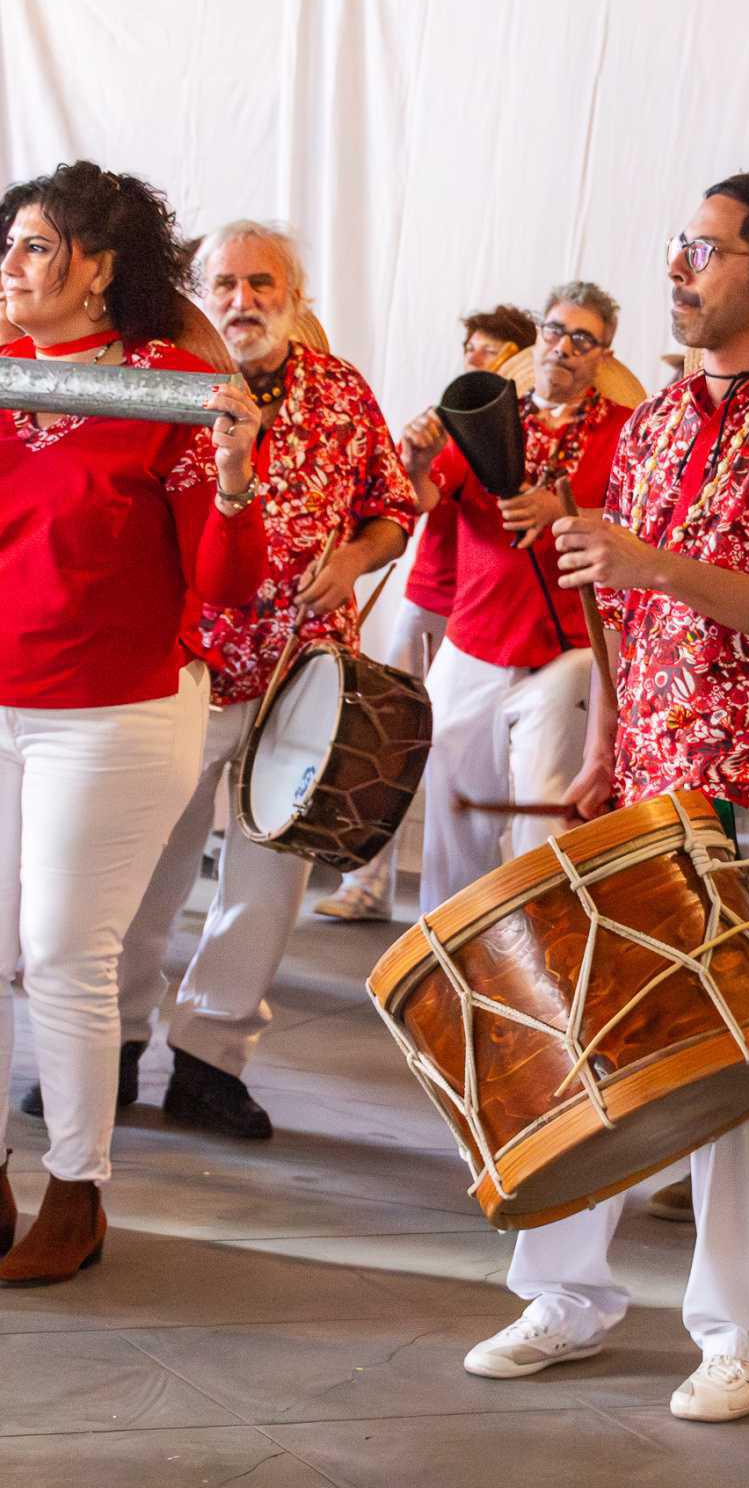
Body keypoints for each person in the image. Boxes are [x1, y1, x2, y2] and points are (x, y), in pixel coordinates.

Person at [460, 175, 749, 1422]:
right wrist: (607, 737)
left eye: (703, 251)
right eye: (676, 246)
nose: (676, 268)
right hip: (651, 778)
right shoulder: (654, 422)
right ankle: (567, 1296)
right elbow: (622, 606)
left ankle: (742, 1336)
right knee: (602, 1037)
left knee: (746, 1069)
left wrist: (656, 563)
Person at [73, 220, 415, 1142]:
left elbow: (392, 508)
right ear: (201, 294)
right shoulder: (169, 383)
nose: (242, 300)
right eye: (224, 283)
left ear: (294, 295)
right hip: (187, 659)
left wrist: (354, 558)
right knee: (150, 863)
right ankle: (110, 1049)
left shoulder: (343, 392)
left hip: (306, 670)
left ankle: (210, 1061)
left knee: (269, 881)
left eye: (262, 283)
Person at [0, 162, 265, 1284]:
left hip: (113, 713)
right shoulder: (3, 371)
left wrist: (239, 473)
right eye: (10, 244)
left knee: (64, 951)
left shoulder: (173, 389)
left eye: (37, 246)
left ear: (101, 269)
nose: (12, 265)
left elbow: (228, 584)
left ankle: (77, 1192)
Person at [402, 283, 631, 914]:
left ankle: (543, 956)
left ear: (604, 355)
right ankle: (444, 959)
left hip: (569, 654)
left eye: (582, 338)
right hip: (473, 645)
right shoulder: (487, 412)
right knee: (454, 820)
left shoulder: (628, 432)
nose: (563, 347)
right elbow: (424, 499)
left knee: (544, 822)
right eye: (554, 331)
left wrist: (564, 510)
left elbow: (646, 524)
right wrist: (416, 463)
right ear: (538, 341)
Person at [314, 302, 537, 921]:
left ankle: (467, 900)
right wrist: (413, 461)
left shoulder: (527, 428)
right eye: (471, 347)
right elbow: (411, 498)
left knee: (457, 753)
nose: (473, 357)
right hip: (431, 601)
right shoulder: (446, 423)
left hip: (482, 619)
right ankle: (367, 880)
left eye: (489, 350)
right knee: (383, 736)